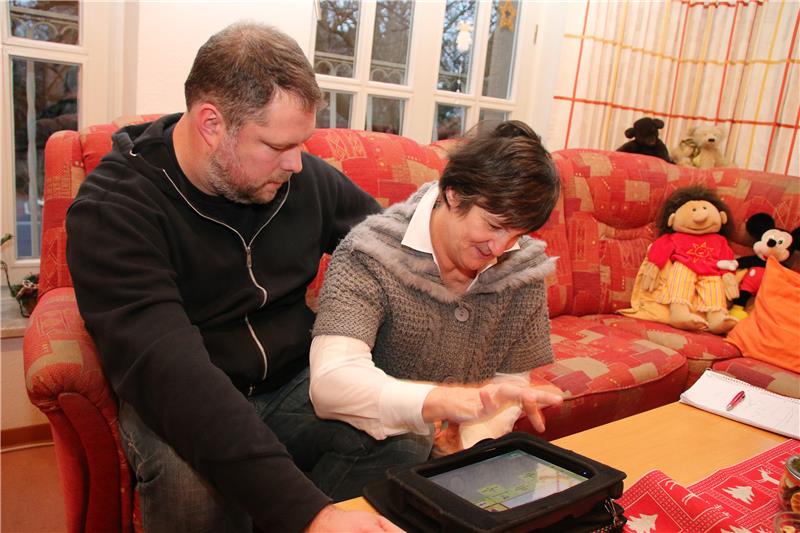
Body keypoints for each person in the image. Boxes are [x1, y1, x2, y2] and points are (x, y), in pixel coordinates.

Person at [66, 22, 402, 533]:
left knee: (400, 433)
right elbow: (174, 377)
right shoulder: (114, 210)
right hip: (184, 392)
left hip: (291, 381)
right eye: (278, 145)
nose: (297, 164)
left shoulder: (302, 178)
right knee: (193, 487)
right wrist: (311, 515)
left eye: (302, 143)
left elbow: (389, 247)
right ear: (211, 124)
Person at [310, 120, 565, 494]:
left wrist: (465, 449)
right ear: (454, 194)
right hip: (369, 445)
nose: (499, 249)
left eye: (516, 234)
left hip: (454, 448)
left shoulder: (523, 267)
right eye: (493, 225)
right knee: (408, 443)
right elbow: (332, 383)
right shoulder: (369, 253)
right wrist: (440, 403)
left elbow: (511, 382)